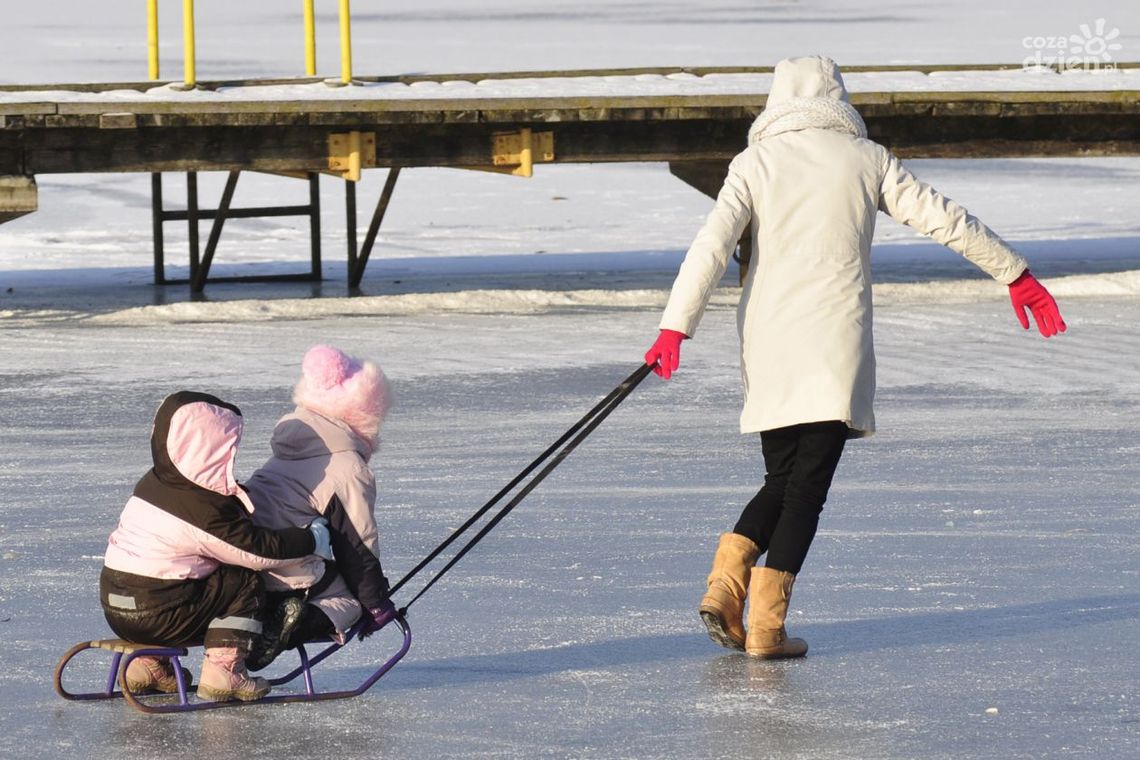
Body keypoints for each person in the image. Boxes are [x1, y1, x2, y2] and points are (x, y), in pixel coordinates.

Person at [643, 55, 1066, 660]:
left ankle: (725, 586)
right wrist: (1015, 273)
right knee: (805, 488)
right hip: (832, 338)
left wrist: (674, 327)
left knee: (783, 477)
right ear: (837, 98)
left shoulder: (753, 163)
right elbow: (944, 218)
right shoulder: (867, 159)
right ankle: (764, 628)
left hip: (768, 339)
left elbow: (710, 246)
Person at [100, 390, 333, 702]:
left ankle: (147, 666)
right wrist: (312, 539)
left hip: (117, 606)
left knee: (187, 576)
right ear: (204, 449)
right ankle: (224, 671)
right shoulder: (201, 510)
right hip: (158, 612)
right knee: (243, 580)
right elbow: (255, 552)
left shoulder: (156, 482)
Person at [243, 344, 396, 670]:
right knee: (350, 600)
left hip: (250, 570)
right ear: (364, 412)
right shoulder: (346, 466)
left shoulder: (287, 452)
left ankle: (278, 613)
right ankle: (294, 621)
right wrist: (377, 604)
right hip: (289, 575)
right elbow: (357, 545)